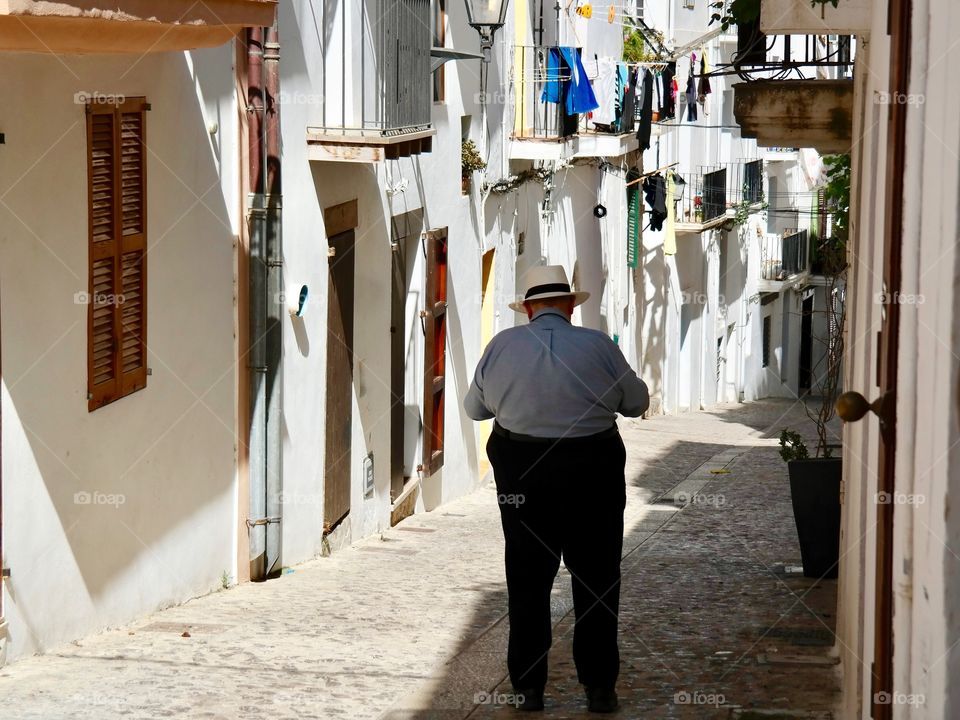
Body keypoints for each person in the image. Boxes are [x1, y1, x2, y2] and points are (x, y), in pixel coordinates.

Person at [465, 265, 650, 714]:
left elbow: (475, 410)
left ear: (528, 308)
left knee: (527, 581)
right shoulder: (599, 345)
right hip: (593, 474)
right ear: (570, 306)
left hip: (523, 479)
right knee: (598, 581)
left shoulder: (501, 345)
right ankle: (599, 688)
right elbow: (637, 403)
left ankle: (528, 689)